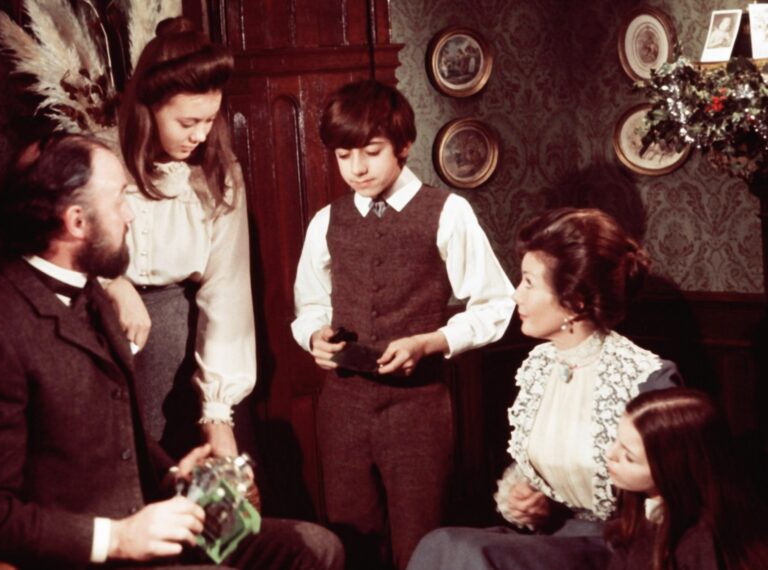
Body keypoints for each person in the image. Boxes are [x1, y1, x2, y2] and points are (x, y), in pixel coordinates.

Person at [0, 132, 344, 570]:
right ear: (77, 222)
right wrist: (116, 538)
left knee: (314, 548)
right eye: (120, 198)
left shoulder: (94, 299)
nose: (130, 216)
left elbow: (116, 440)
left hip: (142, 525)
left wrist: (175, 476)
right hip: (82, 556)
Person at [291, 79, 516, 569]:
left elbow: (497, 305)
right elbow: (308, 302)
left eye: (371, 152)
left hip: (418, 411)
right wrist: (313, 335)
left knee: (423, 543)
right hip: (342, 409)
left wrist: (433, 341)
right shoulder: (326, 221)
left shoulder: (448, 212)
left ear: (404, 145)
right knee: (352, 542)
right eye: (344, 155)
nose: (357, 168)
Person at [407, 207, 681, 570]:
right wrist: (530, 500)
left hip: (618, 548)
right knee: (440, 543)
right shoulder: (538, 367)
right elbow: (544, 470)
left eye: (529, 283)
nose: (515, 296)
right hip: (550, 539)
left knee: (472, 554)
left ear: (575, 301)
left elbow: (673, 502)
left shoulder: (646, 379)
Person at [102, 17, 253, 460]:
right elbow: (55, 258)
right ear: (149, 110)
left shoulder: (220, 178)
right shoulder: (99, 162)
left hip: (185, 350)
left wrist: (217, 412)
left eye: (210, 119)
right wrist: (113, 282)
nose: (202, 134)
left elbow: (227, 294)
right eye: (188, 121)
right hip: (106, 340)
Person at [606, 388, 768, 570]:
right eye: (616, 441)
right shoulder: (640, 502)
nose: (609, 454)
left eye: (629, 457)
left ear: (672, 469)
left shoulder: (700, 542)